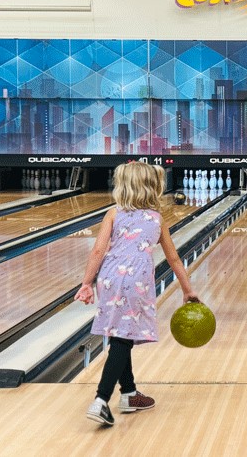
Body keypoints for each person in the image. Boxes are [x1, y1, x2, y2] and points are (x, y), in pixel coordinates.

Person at [75, 162, 199, 426]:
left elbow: (98, 251)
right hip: (136, 283)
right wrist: (187, 290)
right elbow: (174, 258)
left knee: (122, 334)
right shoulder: (156, 219)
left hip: (109, 278)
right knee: (123, 338)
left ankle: (129, 393)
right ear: (153, 187)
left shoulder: (113, 213)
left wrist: (87, 282)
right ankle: (100, 400)